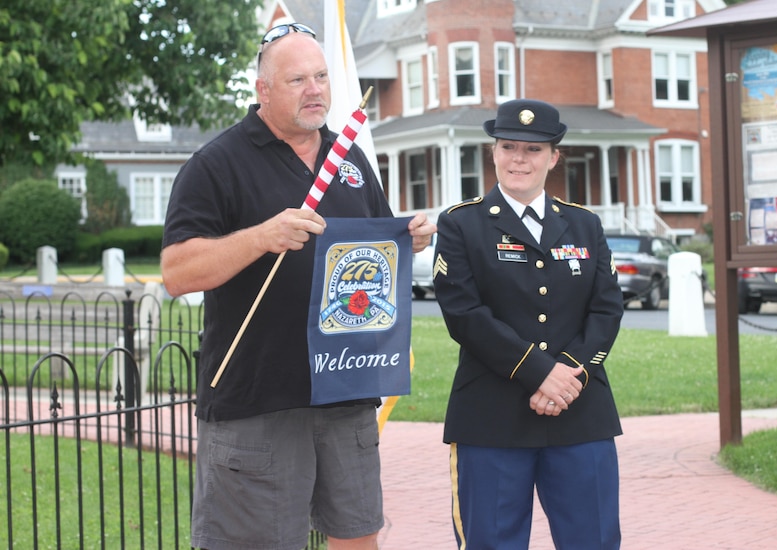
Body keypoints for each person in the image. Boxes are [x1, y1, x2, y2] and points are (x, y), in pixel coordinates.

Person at [161, 23, 436, 550]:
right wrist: (262, 237)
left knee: (358, 537)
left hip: (346, 390)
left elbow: (369, 246)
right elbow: (177, 272)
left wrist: (407, 237)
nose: (315, 90)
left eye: (321, 77)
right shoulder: (217, 165)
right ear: (262, 90)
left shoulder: (351, 160)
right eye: (296, 80)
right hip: (259, 400)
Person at [432, 99, 624, 549]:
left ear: (554, 157)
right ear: (493, 152)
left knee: (593, 541)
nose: (519, 158)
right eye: (509, 146)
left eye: (533, 149)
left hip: (580, 414)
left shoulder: (584, 224)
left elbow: (607, 309)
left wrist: (568, 374)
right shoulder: (461, 224)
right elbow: (464, 314)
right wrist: (542, 374)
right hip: (491, 418)